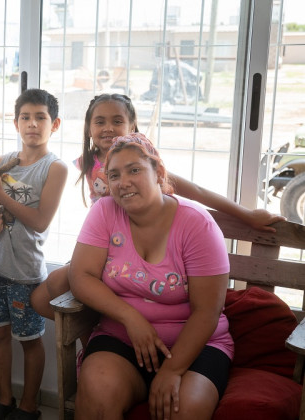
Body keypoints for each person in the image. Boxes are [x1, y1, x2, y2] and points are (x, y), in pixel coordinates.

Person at [30, 93, 285, 319]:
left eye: (117, 121)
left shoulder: (144, 166)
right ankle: (96, 331)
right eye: (100, 121)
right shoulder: (88, 162)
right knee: (41, 299)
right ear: (88, 128)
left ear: (132, 127)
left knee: (58, 281)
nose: (108, 128)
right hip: (104, 245)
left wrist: (247, 214)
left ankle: (96, 335)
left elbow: (196, 191)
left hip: (132, 254)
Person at [69, 133, 233, 419]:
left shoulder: (197, 225)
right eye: (114, 175)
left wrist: (172, 370)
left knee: (185, 408)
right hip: (122, 341)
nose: (124, 182)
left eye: (135, 170)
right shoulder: (104, 211)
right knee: (97, 392)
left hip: (195, 346)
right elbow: (81, 276)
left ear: (158, 173)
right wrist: (131, 318)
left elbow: (207, 311)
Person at [0, 88, 68, 420]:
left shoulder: (55, 169)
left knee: (29, 339)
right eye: (25, 117)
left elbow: (40, 222)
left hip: (25, 271)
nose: (32, 124)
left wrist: (0, 192)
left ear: (54, 125)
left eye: (40, 117)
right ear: (15, 123)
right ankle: (4, 400)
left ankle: (29, 406)